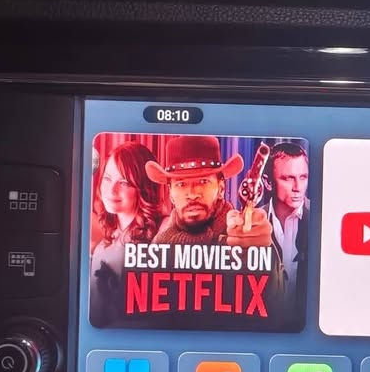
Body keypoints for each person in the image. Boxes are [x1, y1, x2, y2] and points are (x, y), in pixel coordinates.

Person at [147, 134, 273, 248]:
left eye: (203, 181)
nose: (192, 194)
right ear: (171, 194)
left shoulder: (237, 234)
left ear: (221, 188)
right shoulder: (159, 244)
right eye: (181, 184)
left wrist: (261, 250)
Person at [90, 141, 164, 326]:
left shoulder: (164, 230)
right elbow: (95, 318)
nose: (111, 190)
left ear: (143, 187)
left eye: (124, 182)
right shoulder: (102, 248)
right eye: (107, 179)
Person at [264, 142, 309, 308]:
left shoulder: (319, 217)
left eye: (303, 177)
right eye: (288, 178)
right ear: (268, 182)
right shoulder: (252, 223)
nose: (298, 188)